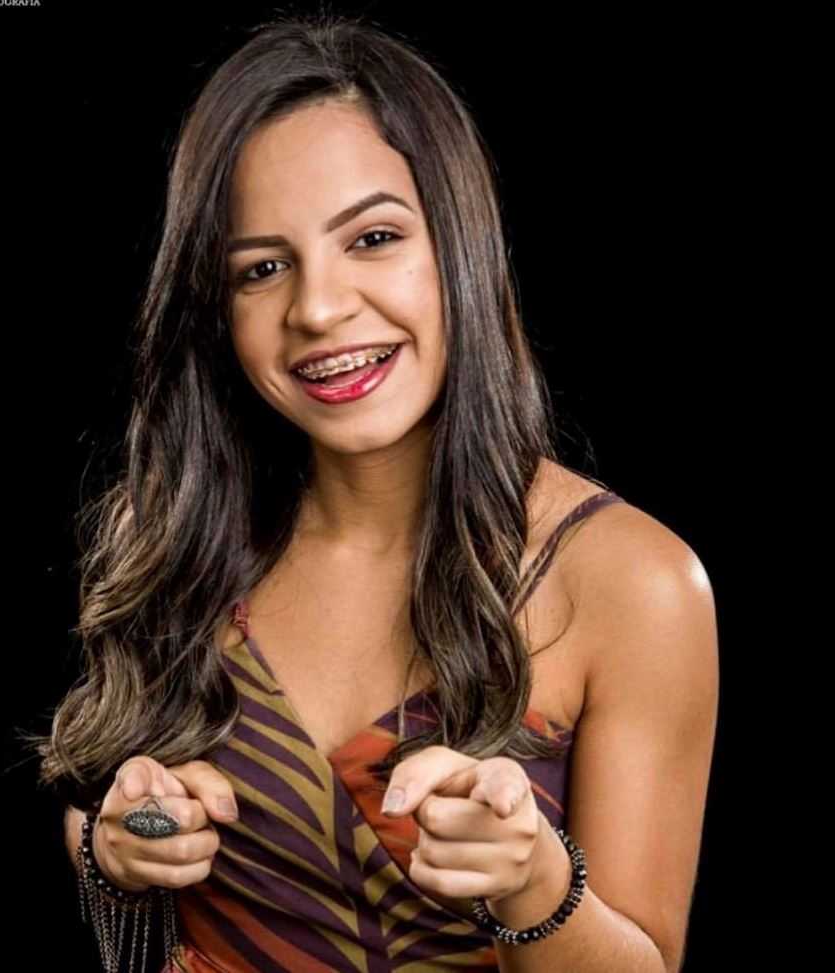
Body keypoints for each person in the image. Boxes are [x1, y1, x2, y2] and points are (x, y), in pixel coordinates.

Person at [38, 11, 718, 973]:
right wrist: (119, 844)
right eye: (262, 268)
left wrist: (532, 881)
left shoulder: (633, 580)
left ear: (460, 245)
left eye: (373, 237)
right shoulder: (174, 534)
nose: (317, 308)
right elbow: (103, 802)